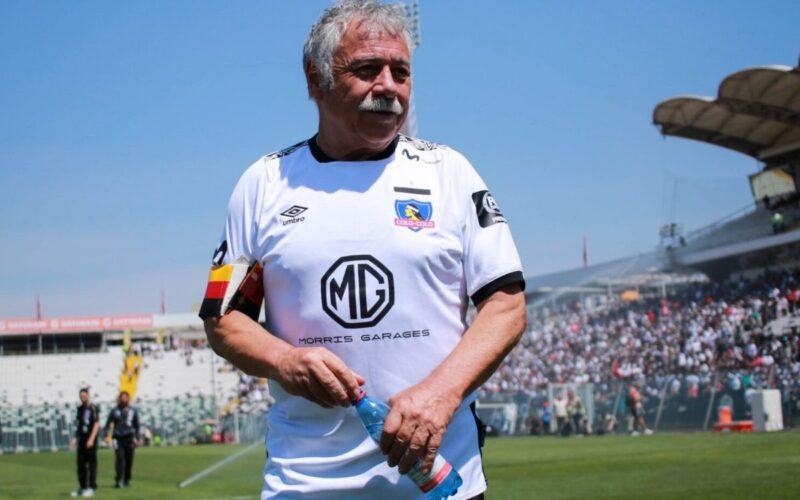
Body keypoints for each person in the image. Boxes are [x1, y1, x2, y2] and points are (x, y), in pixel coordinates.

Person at [200, 1, 526, 498]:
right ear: (315, 79)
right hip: (305, 484)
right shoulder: (263, 184)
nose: (389, 88)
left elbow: (505, 306)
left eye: (401, 72)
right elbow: (224, 318)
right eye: (368, 69)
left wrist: (440, 396)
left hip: (440, 481)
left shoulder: (449, 173)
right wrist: (284, 360)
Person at [103, 391, 141, 488]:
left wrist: (138, 438)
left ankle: (127, 479)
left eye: (126, 397)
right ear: (119, 399)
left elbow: (137, 425)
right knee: (120, 458)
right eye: (122, 397)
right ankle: (119, 479)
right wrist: (107, 436)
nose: (124, 399)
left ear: (128, 399)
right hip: (118, 438)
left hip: (129, 437)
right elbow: (107, 424)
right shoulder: (115, 411)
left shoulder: (133, 411)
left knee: (129, 459)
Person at [69, 388, 100, 498]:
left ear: (88, 395)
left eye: (84, 395)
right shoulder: (80, 409)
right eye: (81, 396)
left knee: (92, 465)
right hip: (82, 440)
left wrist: (91, 439)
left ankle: (91, 487)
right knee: (80, 465)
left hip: (90, 441)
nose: (82, 398)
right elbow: (79, 425)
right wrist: (75, 439)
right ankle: (82, 487)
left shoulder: (93, 408)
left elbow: (96, 424)